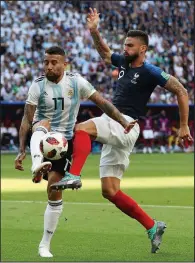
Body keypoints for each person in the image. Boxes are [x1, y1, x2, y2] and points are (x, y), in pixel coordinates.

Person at [51, 8, 193, 254]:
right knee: (110, 191)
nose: (124, 49)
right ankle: (152, 226)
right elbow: (105, 53)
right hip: (119, 127)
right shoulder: (123, 63)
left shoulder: (150, 71)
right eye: (124, 45)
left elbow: (181, 90)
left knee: (81, 128)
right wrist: (94, 31)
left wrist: (183, 126)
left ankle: (73, 174)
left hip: (126, 123)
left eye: (129, 46)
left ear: (143, 49)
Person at [14, 46, 137, 258]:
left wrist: (122, 120)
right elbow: (27, 119)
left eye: (54, 62)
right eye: (46, 63)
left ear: (64, 63)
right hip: (42, 138)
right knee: (41, 121)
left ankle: (45, 244)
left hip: (65, 143)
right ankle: (37, 163)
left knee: (54, 188)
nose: (49, 67)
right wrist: (21, 150)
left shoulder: (75, 82)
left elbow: (102, 103)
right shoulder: (37, 85)